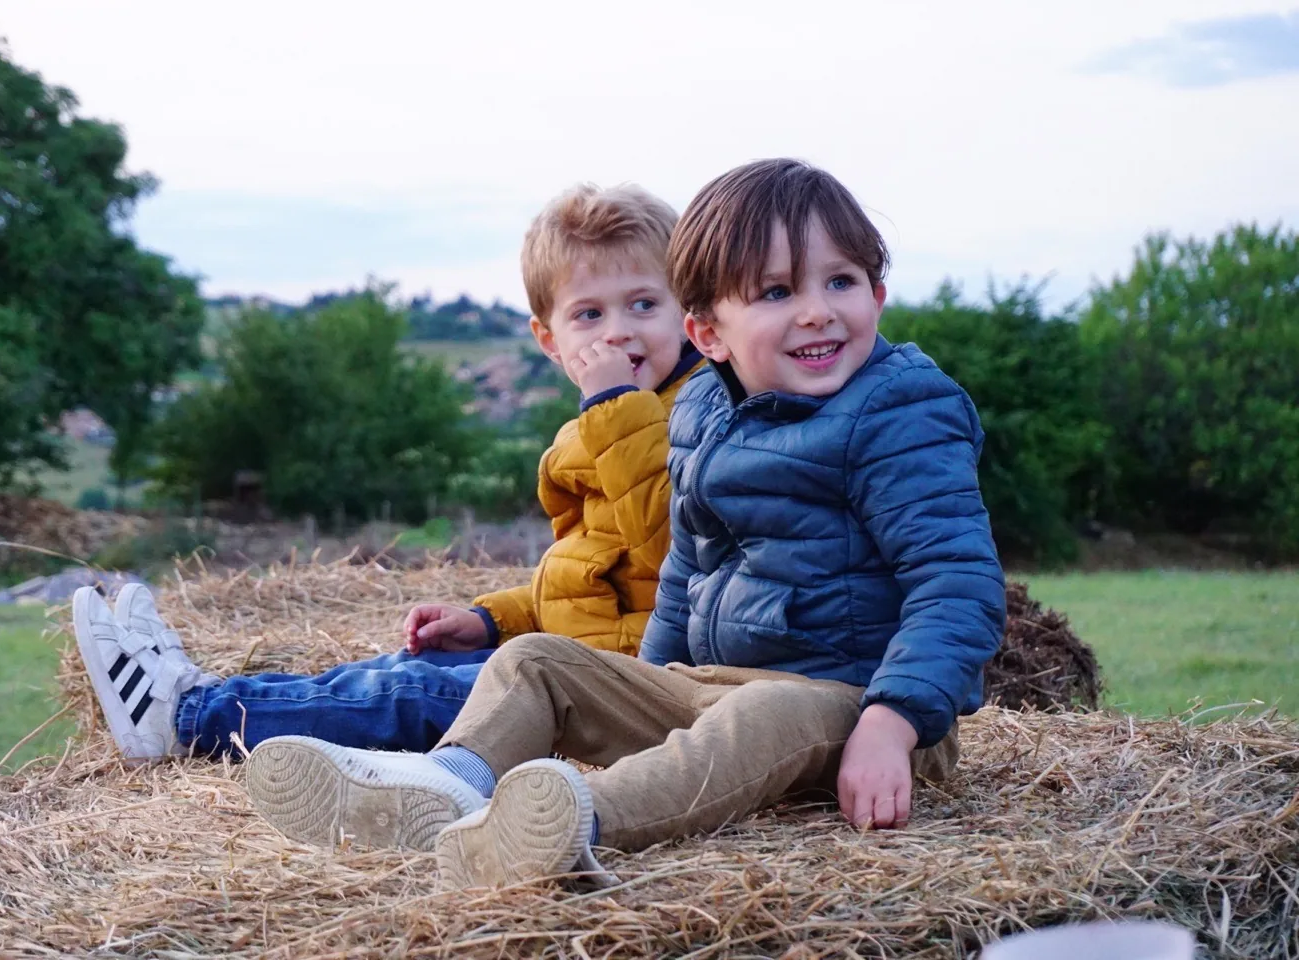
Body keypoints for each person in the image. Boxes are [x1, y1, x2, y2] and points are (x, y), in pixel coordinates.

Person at [244, 158, 1006, 888]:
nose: (816, 310)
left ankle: (568, 820)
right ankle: (445, 785)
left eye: (841, 281)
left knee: (764, 714)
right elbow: (686, 571)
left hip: (858, 706)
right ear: (708, 334)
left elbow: (956, 584)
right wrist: (647, 681)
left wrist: (894, 721)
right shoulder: (702, 410)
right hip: (713, 687)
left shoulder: (902, 411)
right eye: (776, 292)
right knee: (533, 661)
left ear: (877, 294)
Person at [71, 181, 704, 850]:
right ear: (549, 339)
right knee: (388, 672)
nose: (618, 331)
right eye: (589, 314)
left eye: (643, 304)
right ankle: (215, 693)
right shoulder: (612, 419)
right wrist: (492, 620)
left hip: (627, 687)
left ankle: (186, 715)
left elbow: (674, 554)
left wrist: (614, 408)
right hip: (584, 659)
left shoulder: (691, 416)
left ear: (687, 311)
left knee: (411, 695)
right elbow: (597, 578)